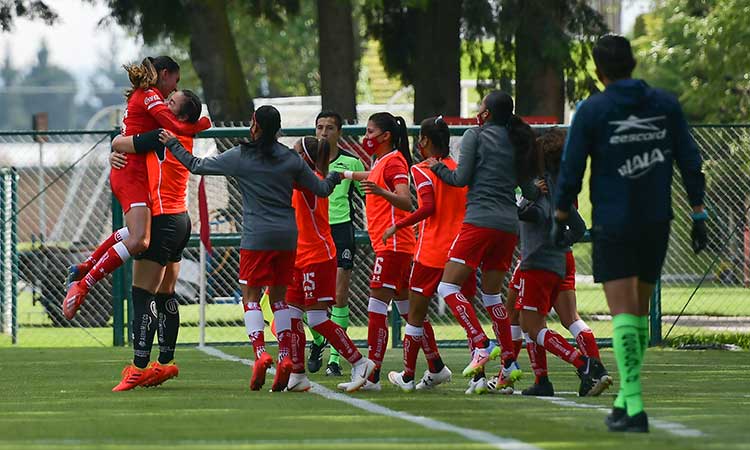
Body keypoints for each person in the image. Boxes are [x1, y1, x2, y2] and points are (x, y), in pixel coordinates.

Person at [158, 106, 373, 393]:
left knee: (251, 298)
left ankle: (261, 352)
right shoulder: (289, 158)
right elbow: (322, 189)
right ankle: (288, 359)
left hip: (257, 238)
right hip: (288, 239)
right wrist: (335, 177)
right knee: (282, 301)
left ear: (255, 125)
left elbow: (197, 165)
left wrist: (172, 143)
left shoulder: (241, 155)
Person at [553, 35, 706, 432]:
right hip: (657, 220)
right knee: (638, 313)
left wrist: (559, 213)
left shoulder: (593, 109)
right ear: (634, 63)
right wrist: (699, 211)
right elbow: (690, 159)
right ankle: (624, 400)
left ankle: (634, 405)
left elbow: (571, 167)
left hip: (615, 221)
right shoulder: (665, 104)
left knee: (624, 313)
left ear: (598, 70)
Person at [62, 56, 210, 320]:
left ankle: (85, 268)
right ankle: (83, 285)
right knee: (140, 239)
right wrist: (199, 125)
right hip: (133, 177)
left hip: (139, 179)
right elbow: (160, 131)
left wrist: (118, 145)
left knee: (135, 234)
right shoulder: (151, 96)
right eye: (175, 83)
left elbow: (128, 138)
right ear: (165, 74)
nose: (173, 92)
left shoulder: (149, 99)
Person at [106, 90, 203, 391]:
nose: (164, 105)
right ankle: (165, 362)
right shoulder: (183, 136)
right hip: (182, 220)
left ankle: (138, 366)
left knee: (142, 295)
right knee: (165, 295)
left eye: (171, 103)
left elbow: (123, 142)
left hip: (161, 221)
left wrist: (114, 150)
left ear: (182, 117)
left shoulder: (163, 133)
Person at [505, 127, 613, 399]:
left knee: (529, 324)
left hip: (537, 260)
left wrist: (519, 203)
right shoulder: (565, 182)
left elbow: (530, 214)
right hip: (560, 259)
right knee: (569, 319)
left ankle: (583, 364)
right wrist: (562, 241)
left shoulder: (541, 187)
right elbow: (577, 225)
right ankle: (577, 373)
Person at [383, 116, 468, 392]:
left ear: (426, 141)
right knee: (468, 316)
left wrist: (399, 224)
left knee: (415, 316)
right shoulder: (458, 169)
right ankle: (465, 373)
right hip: (460, 252)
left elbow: (428, 207)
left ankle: (407, 375)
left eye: (421, 138)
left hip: (430, 252)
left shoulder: (421, 169)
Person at [285, 136, 375, 391]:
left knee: (315, 319)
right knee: (291, 316)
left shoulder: (307, 180)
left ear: (304, 158)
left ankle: (359, 362)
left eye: (294, 152)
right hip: (298, 256)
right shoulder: (313, 177)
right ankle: (297, 372)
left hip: (316, 256)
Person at [335, 112, 416, 392]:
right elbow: (373, 175)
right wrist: (344, 174)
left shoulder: (393, 160)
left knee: (376, 307)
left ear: (385, 136)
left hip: (393, 246)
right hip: (394, 246)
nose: (366, 137)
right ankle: (437, 366)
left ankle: (372, 375)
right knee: (408, 312)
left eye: (370, 132)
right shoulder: (384, 161)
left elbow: (405, 201)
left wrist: (382, 192)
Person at [307, 111, 366, 377]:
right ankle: (318, 341)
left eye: (330, 127)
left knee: (340, 296)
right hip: (312, 235)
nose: (323, 132)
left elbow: (369, 194)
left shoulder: (350, 162)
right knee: (310, 300)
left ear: (339, 132)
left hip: (340, 231)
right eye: (320, 127)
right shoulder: (305, 164)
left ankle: (335, 358)